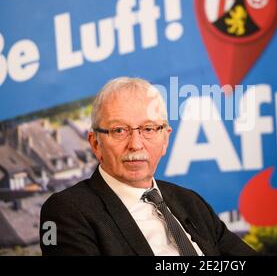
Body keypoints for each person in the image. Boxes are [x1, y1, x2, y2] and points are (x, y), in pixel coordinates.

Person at [40, 77, 257, 256]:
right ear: (96, 143)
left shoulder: (191, 202)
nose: (135, 144)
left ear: (165, 139)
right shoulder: (66, 211)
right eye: (119, 130)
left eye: (148, 129)